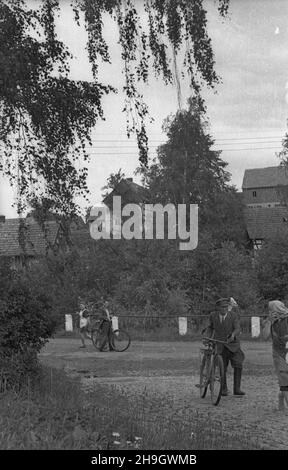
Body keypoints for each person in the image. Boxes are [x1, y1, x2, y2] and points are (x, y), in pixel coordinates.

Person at [203, 297, 245, 396]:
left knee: (238, 364)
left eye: (226, 307)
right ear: (217, 308)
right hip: (220, 345)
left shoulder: (233, 315)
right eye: (222, 307)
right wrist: (207, 337)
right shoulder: (213, 316)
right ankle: (223, 389)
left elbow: (238, 328)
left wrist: (233, 335)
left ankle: (237, 389)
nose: (224, 309)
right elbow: (210, 327)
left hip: (233, 345)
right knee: (222, 368)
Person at [263, 301, 288, 411]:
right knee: (283, 377)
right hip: (278, 353)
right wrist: (269, 322)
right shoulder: (269, 322)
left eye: (273, 310)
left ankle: (281, 396)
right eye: (270, 311)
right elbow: (264, 337)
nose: (271, 313)